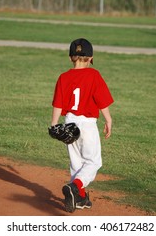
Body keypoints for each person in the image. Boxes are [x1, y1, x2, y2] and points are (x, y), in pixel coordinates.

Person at [50, 38, 114, 213]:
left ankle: (80, 198)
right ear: (91, 58)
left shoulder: (64, 77)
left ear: (71, 57)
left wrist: (54, 125)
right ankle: (76, 186)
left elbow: (58, 104)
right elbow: (102, 101)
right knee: (93, 162)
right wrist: (108, 120)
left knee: (76, 163)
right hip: (87, 124)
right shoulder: (94, 75)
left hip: (70, 123)